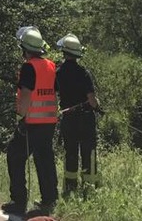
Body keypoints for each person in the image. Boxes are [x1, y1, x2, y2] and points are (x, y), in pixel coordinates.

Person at [3, 25, 58, 218]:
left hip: (32, 122)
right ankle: (49, 199)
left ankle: (18, 202)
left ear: (25, 49)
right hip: (49, 122)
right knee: (45, 159)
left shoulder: (28, 67)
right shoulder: (51, 65)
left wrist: (20, 115)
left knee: (15, 156)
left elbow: (26, 94)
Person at [55, 33, 100, 195]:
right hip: (86, 119)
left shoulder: (58, 73)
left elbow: (55, 93)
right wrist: (97, 106)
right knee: (88, 153)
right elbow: (92, 100)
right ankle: (89, 189)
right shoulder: (84, 73)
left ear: (64, 53)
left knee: (71, 153)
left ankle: (70, 188)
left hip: (68, 120)